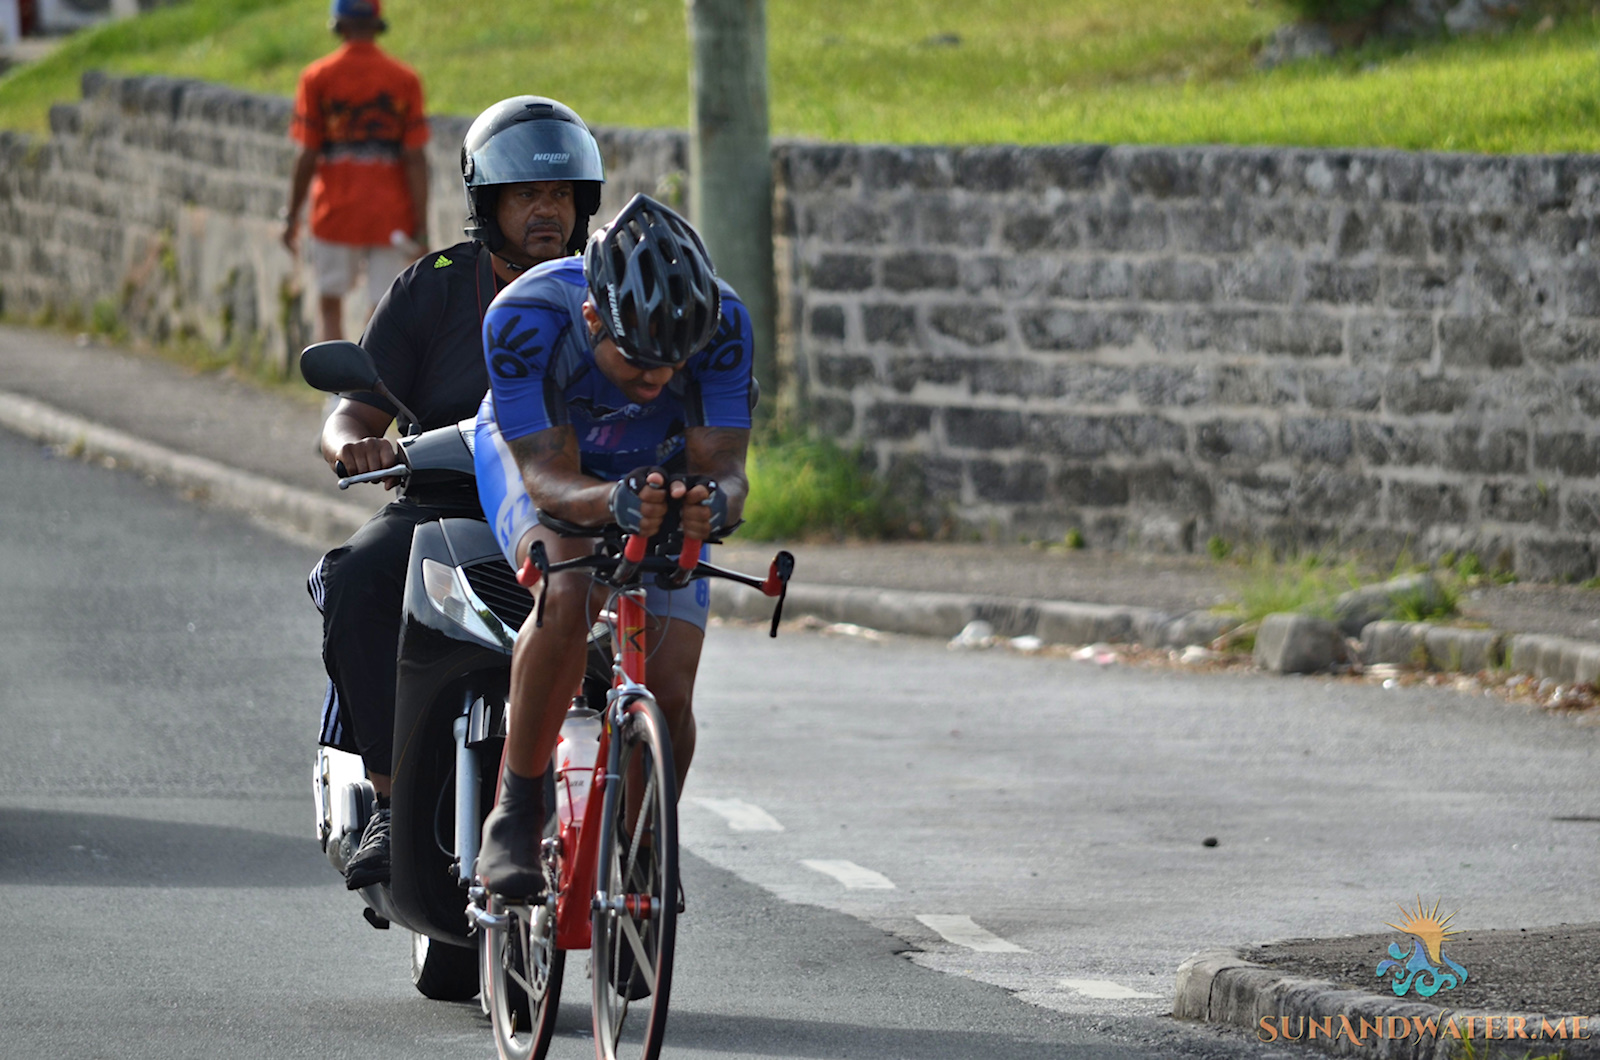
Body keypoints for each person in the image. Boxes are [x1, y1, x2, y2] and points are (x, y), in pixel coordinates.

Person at [307, 96, 606, 891]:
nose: (547, 211)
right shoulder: (433, 286)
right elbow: (347, 413)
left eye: (561, 196)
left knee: (629, 625)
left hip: (564, 509)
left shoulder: (606, 292)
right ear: (487, 205)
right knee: (359, 577)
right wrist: (356, 447)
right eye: (525, 196)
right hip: (441, 507)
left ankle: (617, 825)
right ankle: (390, 800)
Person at [472, 194, 756, 899]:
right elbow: (544, 480)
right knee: (566, 593)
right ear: (594, 318)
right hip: (547, 461)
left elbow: (725, 468)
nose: (659, 380)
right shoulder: (525, 318)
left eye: (673, 364)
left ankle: (640, 855)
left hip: (653, 464)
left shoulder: (724, 324)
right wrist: (614, 502)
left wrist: (712, 503)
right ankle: (516, 806)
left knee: (673, 685)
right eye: (638, 362)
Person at [282, 0, 429, 342]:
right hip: (391, 214)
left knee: (329, 300)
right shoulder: (405, 79)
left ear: (339, 24)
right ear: (378, 23)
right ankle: (365, 383)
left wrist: (291, 215)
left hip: (335, 212)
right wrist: (421, 226)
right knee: (383, 307)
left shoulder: (317, 77)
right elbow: (416, 158)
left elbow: (307, 154)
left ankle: (333, 385)